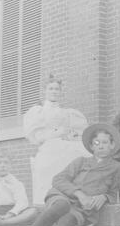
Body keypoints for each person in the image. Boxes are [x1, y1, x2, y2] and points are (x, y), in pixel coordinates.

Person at [0, 123, 120, 226]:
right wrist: (79, 194)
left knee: (69, 218)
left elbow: (114, 193)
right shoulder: (81, 161)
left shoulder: (116, 168)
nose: (101, 146)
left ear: (112, 145)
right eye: (97, 142)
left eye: (105, 142)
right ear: (92, 146)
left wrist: (104, 197)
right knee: (62, 206)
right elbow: (58, 179)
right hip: (63, 196)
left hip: (83, 208)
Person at [24, 76, 90, 205]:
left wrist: (70, 136)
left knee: (82, 153)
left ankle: (74, 200)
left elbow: (77, 133)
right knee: (54, 158)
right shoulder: (39, 112)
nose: (54, 91)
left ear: (61, 92)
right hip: (49, 145)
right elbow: (38, 137)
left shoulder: (67, 113)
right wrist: (58, 133)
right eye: (51, 88)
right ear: (45, 91)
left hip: (66, 143)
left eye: (57, 89)